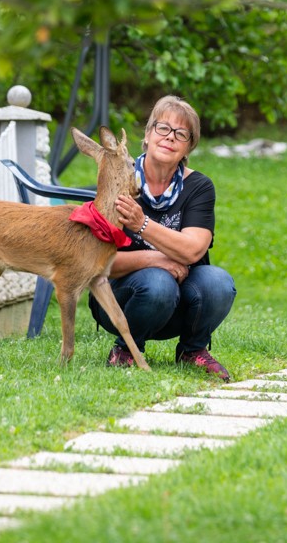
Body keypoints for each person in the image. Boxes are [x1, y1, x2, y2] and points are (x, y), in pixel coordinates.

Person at [88, 95, 237, 380]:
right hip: (121, 301)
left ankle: (192, 350)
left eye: (181, 134)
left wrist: (142, 223)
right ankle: (127, 350)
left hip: (181, 304)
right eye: (163, 128)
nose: (170, 137)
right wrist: (156, 259)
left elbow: (193, 250)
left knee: (219, 283)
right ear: (147, 135)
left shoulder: (199, 187)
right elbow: (95, 262)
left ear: (188, 147)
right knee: (158, 281)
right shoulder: (118, 180)